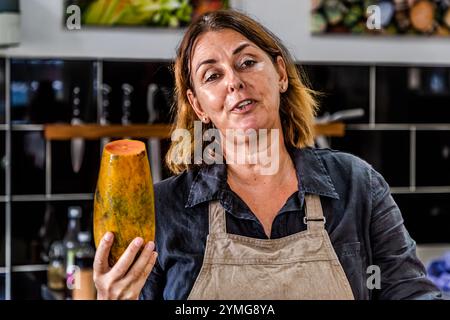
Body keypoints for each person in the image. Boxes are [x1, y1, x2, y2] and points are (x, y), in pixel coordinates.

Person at [93, 10, 443, 300]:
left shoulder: (357, 185)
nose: (234, 81)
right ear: (199, 105)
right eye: (212, 75)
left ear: (279, 73)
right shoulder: (162, 210)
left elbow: (411, 293)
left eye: (247, 62)